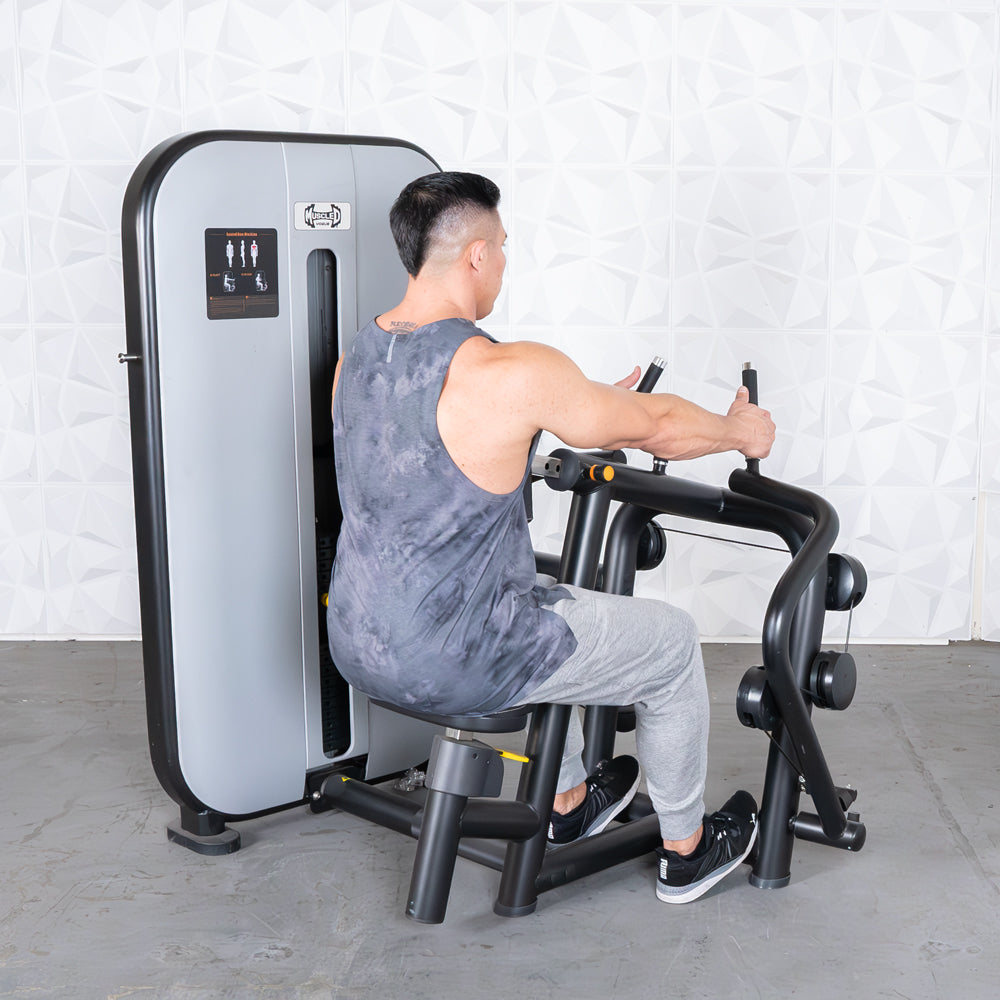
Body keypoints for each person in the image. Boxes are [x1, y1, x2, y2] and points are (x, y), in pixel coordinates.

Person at [327, 172, 776, 904]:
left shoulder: (357, 358)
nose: (505, 261)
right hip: (457, 657)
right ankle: (688, 852)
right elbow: (657, 425)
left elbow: (441, 466)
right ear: (475, 256)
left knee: (542, 599)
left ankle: (569, 804)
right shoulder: (506, 370)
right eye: (502, 247)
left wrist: (587, 401)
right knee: (670, 642)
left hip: (356, 644)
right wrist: (736, 431)